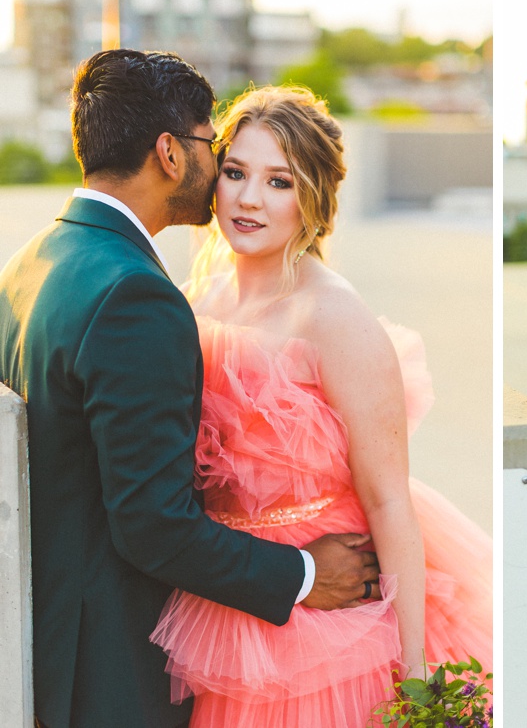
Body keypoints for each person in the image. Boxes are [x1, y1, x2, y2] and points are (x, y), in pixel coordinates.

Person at [0, 50, 377, 728]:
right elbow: (153, 526)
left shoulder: (32, 262)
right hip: (111, 672)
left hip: (46, 637)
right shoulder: (135, 297)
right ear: (171, 153)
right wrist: (304, 576)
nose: (222, 172)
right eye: (216, 147)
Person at [146, 85, 492, 726]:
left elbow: (389, 498)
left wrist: (416, 680)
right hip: (232, 593)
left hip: (331, 617)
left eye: (279, 182)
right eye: (236, 172)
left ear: (312, 201)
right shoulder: (199, 299)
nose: (249, 198)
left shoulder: (334, 315)